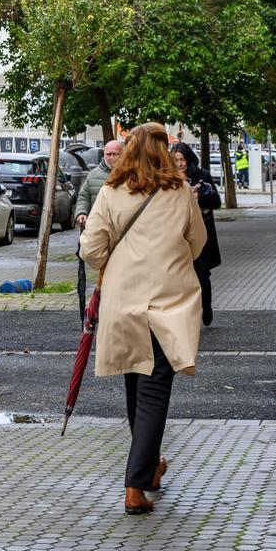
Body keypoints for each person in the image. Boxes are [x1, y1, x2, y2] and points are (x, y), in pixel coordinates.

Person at [80, 123, 206, 516]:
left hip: (124, 303)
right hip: (167, 305)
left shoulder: (110, 192)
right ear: (165, 151)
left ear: (130, 151)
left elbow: (91, 250)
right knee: (153, 393)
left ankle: (149, 468)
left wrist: (116, 264)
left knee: (137, 385)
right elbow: (198, 242)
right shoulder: (181, 192)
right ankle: (135, 486)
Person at [73, 140, 125, 322]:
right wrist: (81, 213)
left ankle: (112, 305)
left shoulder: (130, 176)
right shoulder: (94, 175)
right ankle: (103, 306)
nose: (111, 158)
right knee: (104, 270)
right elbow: (83, 197)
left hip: (122, 235)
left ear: (123, 154)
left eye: (115, 154)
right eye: (107, 154)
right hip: (100, 233)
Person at [171, 143, 222, 327]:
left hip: (200, 232)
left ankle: (206, 307)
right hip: (177, 235)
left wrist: (198, 198)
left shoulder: (202, 176)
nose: (179, 164)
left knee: (201, 274)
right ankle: (186, 314)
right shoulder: (169, 179)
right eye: (175, 160)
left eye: (182, 160)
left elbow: (216, 201)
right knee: (180, 277)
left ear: (189, 159)